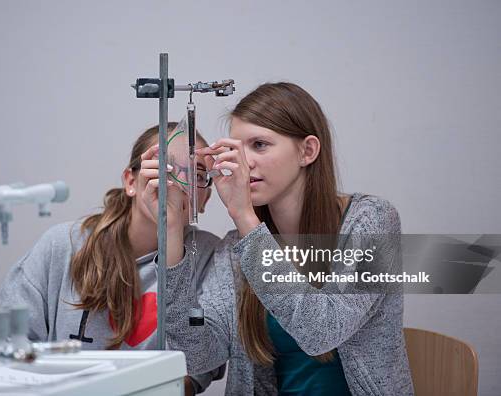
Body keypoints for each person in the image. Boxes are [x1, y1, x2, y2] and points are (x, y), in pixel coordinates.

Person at [148, 83, 414, 395]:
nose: (243, 163)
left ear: (308, 151)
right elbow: (199, 355)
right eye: (237, 148)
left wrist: (244, 215)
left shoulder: (372, 221)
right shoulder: (237, 247)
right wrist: (171, 230)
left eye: (259, 145)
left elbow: (321, 331)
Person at [0, 123, 224, 394]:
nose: (178, 184)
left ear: (205, 197)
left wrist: (172, 231)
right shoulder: (62, 245)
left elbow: (192, 375)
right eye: (165, 169)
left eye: (197, 175)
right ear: (131, 182)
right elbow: (6, 351)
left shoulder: (211, 255)